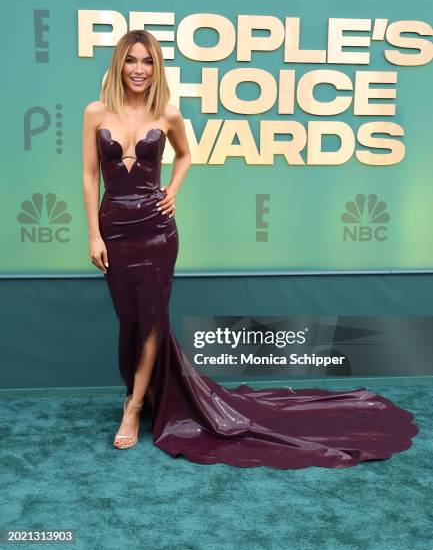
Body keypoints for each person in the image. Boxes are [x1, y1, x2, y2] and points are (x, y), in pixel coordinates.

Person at [82, 29, 419, 469]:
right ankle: (148, 391)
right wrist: (93, 233)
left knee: (150, 321)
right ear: (119, 65)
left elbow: (185, 156)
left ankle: (132, 407)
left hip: (157, 232)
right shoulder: (95, 112)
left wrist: (174, 191)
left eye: (147, 61)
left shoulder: (167, 112)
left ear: (156, 67)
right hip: (114, 228)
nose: (139, 70)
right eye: (131, 61)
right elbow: (90, 175)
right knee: (129, 322)